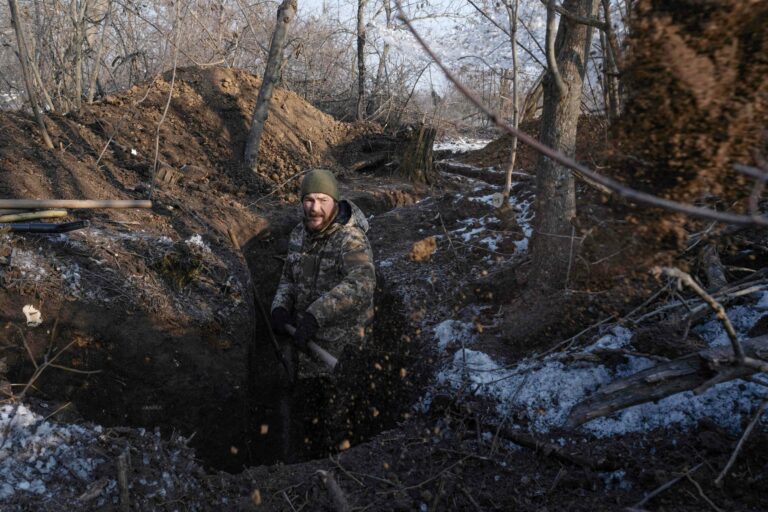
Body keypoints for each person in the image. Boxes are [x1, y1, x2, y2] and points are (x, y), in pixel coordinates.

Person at [270, 168, 375, 366]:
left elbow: (362, 284)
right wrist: (279, 306)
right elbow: (288, 279)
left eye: (322, 200)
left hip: (341, 351)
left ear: (335, 202)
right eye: (309, 199)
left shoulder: (351, 239)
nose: (314, 208)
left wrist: (316, 314)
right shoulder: (298, 234)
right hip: (304, 343)